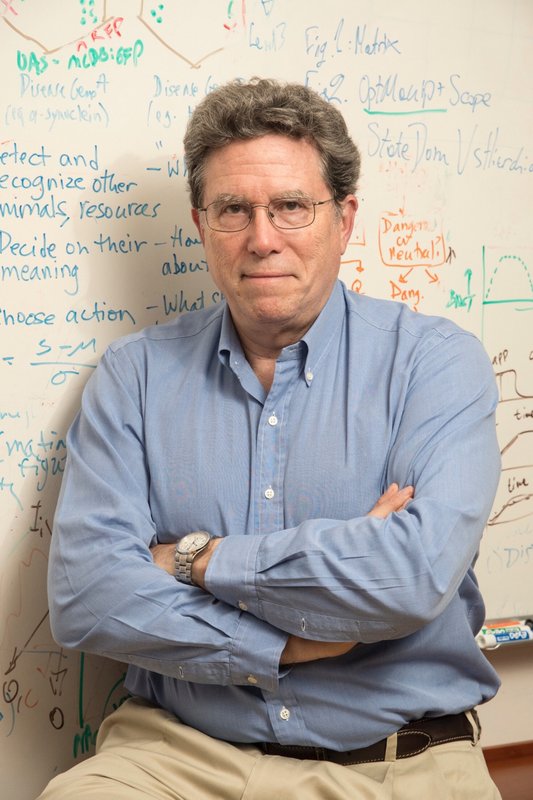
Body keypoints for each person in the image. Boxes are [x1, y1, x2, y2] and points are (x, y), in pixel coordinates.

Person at [39, 78, 502, 799]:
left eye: (291, 206)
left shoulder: (435, 364)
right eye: (234, 210)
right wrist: (286, 643)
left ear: (343, 219)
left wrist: (194, 559)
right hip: (176, 754)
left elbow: (407, 579)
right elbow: (87, 595)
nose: (262, 238)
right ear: (201, 224)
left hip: (396, 763)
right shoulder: (134, 375)